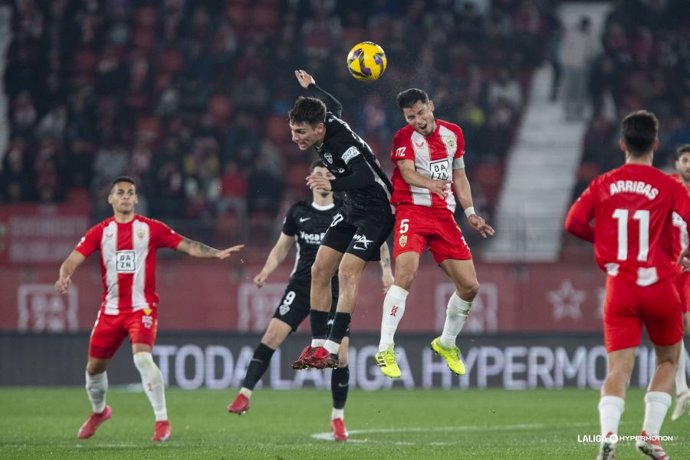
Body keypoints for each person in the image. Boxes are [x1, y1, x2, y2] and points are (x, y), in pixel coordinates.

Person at [54, 176, 243, 442]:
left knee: (142, 358)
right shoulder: (100, 232)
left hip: (142, 308)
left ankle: (162, 421)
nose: (125, 197)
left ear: (136, 199)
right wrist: (65, 275)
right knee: (94, 369)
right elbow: (73, 259)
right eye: (120, 193)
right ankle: (100, 412)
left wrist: (216, 253)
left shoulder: (150, 229)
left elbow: (187, 245)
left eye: (130, 192)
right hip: (110, 310)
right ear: (110, 199)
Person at [227, 160, 394, 441]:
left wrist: (386, 270)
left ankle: (338, 417)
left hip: (337, 288)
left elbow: (378, 238)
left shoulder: (347, 208)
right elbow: (282, 248)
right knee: (271, 336)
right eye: (318, 174)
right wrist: (265, 272)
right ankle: (244, 394)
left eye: (328, 174)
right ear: (310, 179)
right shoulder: (299, 212)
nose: (323, 178)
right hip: (303, 286)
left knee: (340, 358)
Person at [564, 111, 690, 460]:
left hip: (619, 285)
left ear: (622, 144)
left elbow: (573, 223)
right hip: (659, 283)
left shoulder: (603, 183)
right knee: (668, 360)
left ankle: (607, 436)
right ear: (656, 144)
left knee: (619, 369)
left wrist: (603, 239)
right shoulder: (669, 185)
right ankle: (649, 435)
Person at [373, 88, 495, 379]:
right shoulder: (404, 138)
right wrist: (428, 184)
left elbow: (460, 176)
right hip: (411, 211)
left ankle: (446, 342)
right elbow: (405, 171)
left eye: (419, 112)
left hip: (443, 215)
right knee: (406, 274)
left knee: (470, 286)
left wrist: (470, 213)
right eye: (409, 116)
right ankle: (385, 347)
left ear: (431, 106)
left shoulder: (454, 134)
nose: (416, 120)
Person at [288, 70, 395, 370]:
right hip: (351, 207)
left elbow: (362, 175)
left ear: (319, 129)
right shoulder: (327, 121)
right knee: (320, 268)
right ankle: (318, 345)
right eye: (293, 130)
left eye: (300, 132)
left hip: (377, 211)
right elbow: (334, 105)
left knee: (347, 271)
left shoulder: (340, 142)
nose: (295, 137)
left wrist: (331, 185)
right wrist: (313, 86)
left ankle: (333, 349)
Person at [671, 144, 690, 421]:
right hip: (668, 270)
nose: (689, 165)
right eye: (685, 160)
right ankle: (681, 389)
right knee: (671, 330)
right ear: (677, 163)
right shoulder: (668, 191)